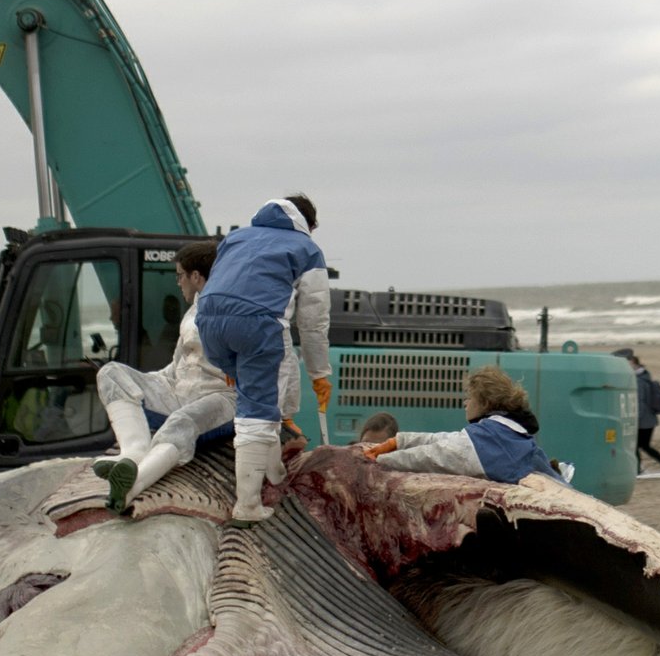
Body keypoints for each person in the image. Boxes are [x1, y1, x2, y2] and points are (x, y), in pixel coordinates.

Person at [197, 196, 334, 522]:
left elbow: (224, 286)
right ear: (309, 224)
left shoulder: (236, 237)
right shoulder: (306, 249)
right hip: (256, 325)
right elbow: (313, 322)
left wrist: (228, 364)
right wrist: (319, 373)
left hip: (208, 324)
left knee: (263, 398)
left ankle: (274, 472)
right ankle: (247, 505)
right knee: (256, 414)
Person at [93, 241, 248, 513]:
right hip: (179, 392)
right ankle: (132, 455)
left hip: (221, 399)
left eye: (179, 275)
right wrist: (142, 384)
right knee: (112, 373)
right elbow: (177, 365)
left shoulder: (234, 309)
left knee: (181, 420)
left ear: (196, 276)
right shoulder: (192, 311)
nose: (178, 283)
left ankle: (132, 487)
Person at [362, 367, 563, 484]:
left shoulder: (492, 438)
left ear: (485, 402)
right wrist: (398, 441)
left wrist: (380, 460)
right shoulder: (502, 431)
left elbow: (435, 457)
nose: (465, 403)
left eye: (469, 397)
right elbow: (446, 440)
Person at [619, 349, 660, 472]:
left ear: (634, 364)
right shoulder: (644, 376)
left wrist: (633, 420)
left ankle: (644, 469)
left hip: (643, 421)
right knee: (642, 446)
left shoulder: (638, 381)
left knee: (638, 446)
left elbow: (640, 403)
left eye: (629, 363)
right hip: (649, 420)